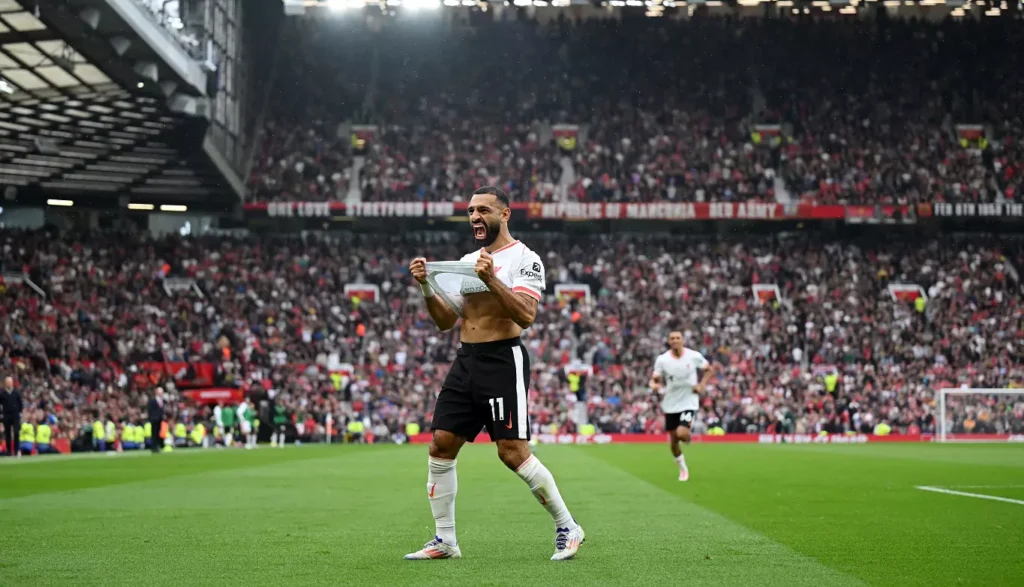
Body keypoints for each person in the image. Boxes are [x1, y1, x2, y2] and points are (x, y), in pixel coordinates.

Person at [405, 186, 584, 562]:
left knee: (512, 452)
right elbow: (445, 321)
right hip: (466, 359)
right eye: (470, 211)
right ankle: (445, 541)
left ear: (504, 215)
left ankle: (568, 525)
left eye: (483, 210)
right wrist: (425, 286)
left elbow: (526, 316)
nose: (474, 217)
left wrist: (491, 280)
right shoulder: (468, 259)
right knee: (441, 444)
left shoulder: (525, 258)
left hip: (503, 359)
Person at [649, 331, 716, 481]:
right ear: (668, 341)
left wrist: (701, 385)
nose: (675, 340)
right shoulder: (662, 360)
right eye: (672, 338)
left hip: (688, 400)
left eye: (678, 338)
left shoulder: (693, 356)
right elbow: (654, 379)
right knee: (673, 441)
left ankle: (687, 435)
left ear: (682, 340)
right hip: (671, 402)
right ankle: (683, 469)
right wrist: (654, 385)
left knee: (681, 433)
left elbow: (709, 370)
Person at [0, 376, 23, 456]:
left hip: (15, 415)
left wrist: (20, 413)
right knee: (8, 434)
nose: (9, 383)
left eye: (10, 382)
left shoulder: (16, 392)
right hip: (6, 416)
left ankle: (17, 450)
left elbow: (20, 403)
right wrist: (1, 415)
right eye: (7, 382)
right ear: (5, 383)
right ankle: (9, 451)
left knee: (16, 432)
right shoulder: (2, 394)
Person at [147, 387, 166, 454]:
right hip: (154, 420)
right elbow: (150, 410)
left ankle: (157, 447)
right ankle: (153, 447)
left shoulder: (162, 401)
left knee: (158, 433)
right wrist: (151, 418)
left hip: (159, 420)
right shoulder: (153, 401)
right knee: (154, 433)